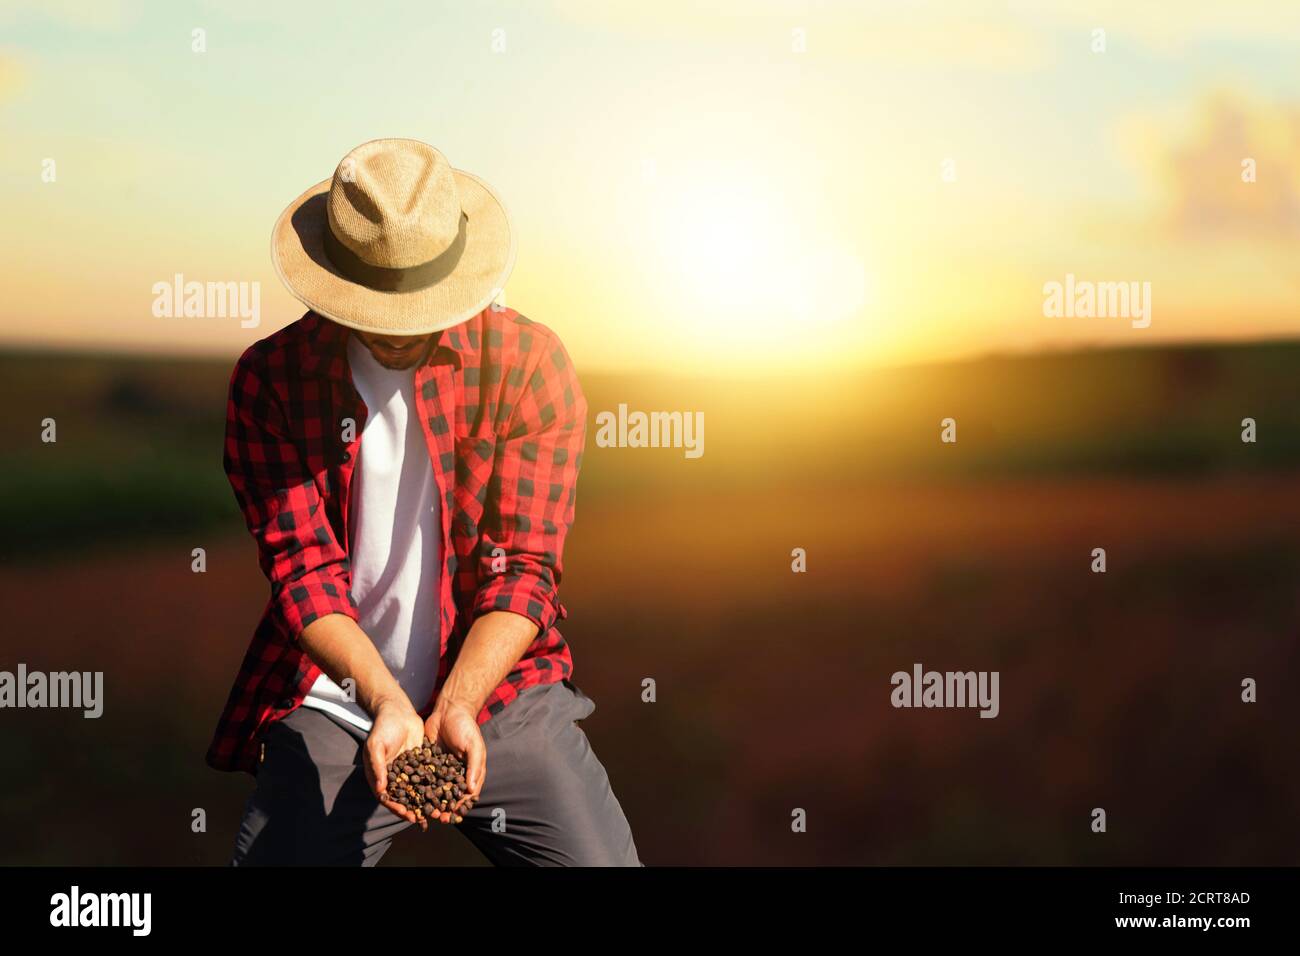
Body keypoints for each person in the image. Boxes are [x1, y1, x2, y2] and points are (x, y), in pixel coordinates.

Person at [206, 137, 640, 866]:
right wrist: (384, 702)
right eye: (379, 303)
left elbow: (525, 570)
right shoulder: (270, 381)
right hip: (340, 700)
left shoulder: (529, 367)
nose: (400, 326)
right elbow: (302, 575)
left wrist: (460, 702)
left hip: (502, 694)